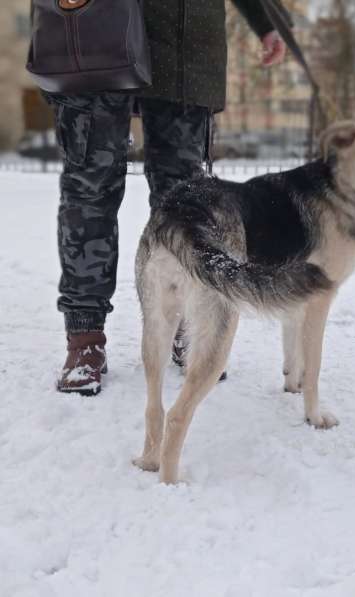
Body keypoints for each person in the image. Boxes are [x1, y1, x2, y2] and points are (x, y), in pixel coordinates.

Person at [47, 0, 289, 396]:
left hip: (185, 45)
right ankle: (84, 338)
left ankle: (183, 325)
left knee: (185, 202)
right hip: (95, 31)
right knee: (89, 192)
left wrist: (265, 22)